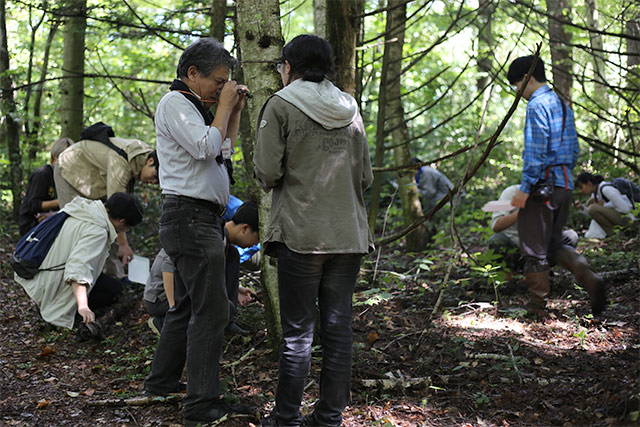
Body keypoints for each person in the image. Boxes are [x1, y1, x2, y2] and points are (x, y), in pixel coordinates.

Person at [254, 34, 374, 427]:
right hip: (349, 234)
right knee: (338, 329)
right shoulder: (350, 107)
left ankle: (286, 417)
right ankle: (328, 417)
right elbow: (366, 178)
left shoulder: (281, 105)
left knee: (297, 334)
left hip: (303, 234)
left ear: (288, 66)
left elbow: (268, 173)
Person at [144, 38, 249, 426]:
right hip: (189, 216)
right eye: (218, 81)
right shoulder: (176, 104)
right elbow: (206, 148)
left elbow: (223, 151)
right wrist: (223, 107)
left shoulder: (196, 108)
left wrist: (232, 112)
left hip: (200, 218)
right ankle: (201, 404)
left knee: (187, 305)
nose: (222, 88)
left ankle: (161, 383)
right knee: (212, 311)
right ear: (193, 74)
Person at [507, 55, 606, 318]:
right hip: (563, 185)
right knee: (552, 244)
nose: (517, 91)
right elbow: (573, 151)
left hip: (543, 187)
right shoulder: (562, 105)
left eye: (516, 84)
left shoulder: (537, 105)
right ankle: (591, 279)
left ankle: (537, 310)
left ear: (526, 79)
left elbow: (536, 152)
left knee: (533, 249)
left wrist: (525, 188)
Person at [14, 192, 143, 330]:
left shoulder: (86, 208)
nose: (125, 231)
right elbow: (78, 269)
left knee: (113, 286)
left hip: (38, 272)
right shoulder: (97, 230)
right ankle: (57, 307)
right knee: (112, 291)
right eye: (127, 227)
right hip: (49, 280)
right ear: (122, 221)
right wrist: (83, 306)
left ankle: (50, 301)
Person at [53, 122, 159, 279]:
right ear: (150, 161)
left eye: (157, 181)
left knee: (104, 225)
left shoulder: (138, 157)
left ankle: (110, 276)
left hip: (91, 178)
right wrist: (123, 245)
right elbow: (116, 214)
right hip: (69, 170)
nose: (153, 181)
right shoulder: (122, 164)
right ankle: (67, 275)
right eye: (155, 176)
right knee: (75, 225)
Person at [144, 201, 259, 335]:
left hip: (185, 288)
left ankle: (227, 322)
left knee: (233, 256)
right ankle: (162, 322)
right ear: (244, 229)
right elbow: (168, 266)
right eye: (257, 237)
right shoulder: (211, 236)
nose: (256, 244)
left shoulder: (224, 242)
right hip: (160, 298)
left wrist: (237, 290)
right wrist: (174, 311)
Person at [489, 184, 579, 274]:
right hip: (515, 248)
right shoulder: (510, 192)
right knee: (497, 240)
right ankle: (509, 275)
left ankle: (541, 270)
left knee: (571, 236)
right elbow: (496, 226)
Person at [18, 137, 73, 236]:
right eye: (63, 157)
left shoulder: (67, 177)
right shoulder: (43, 174)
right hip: (32, 226)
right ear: (54, 157)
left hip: (52, 222)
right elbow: (34, 205)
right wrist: (63, 201)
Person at [575, 172, 634, 236]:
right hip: (619, 218)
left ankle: (618, 234)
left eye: (581, 187)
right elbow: (595, 214)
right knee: (592, 209)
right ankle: (615, 235)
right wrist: (582, 208)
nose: (580, 191)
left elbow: (625, 209)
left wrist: (604, 205)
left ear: (589, 184)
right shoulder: (595, 194)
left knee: (593, 208)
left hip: (629, 219)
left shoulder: (606, 189)